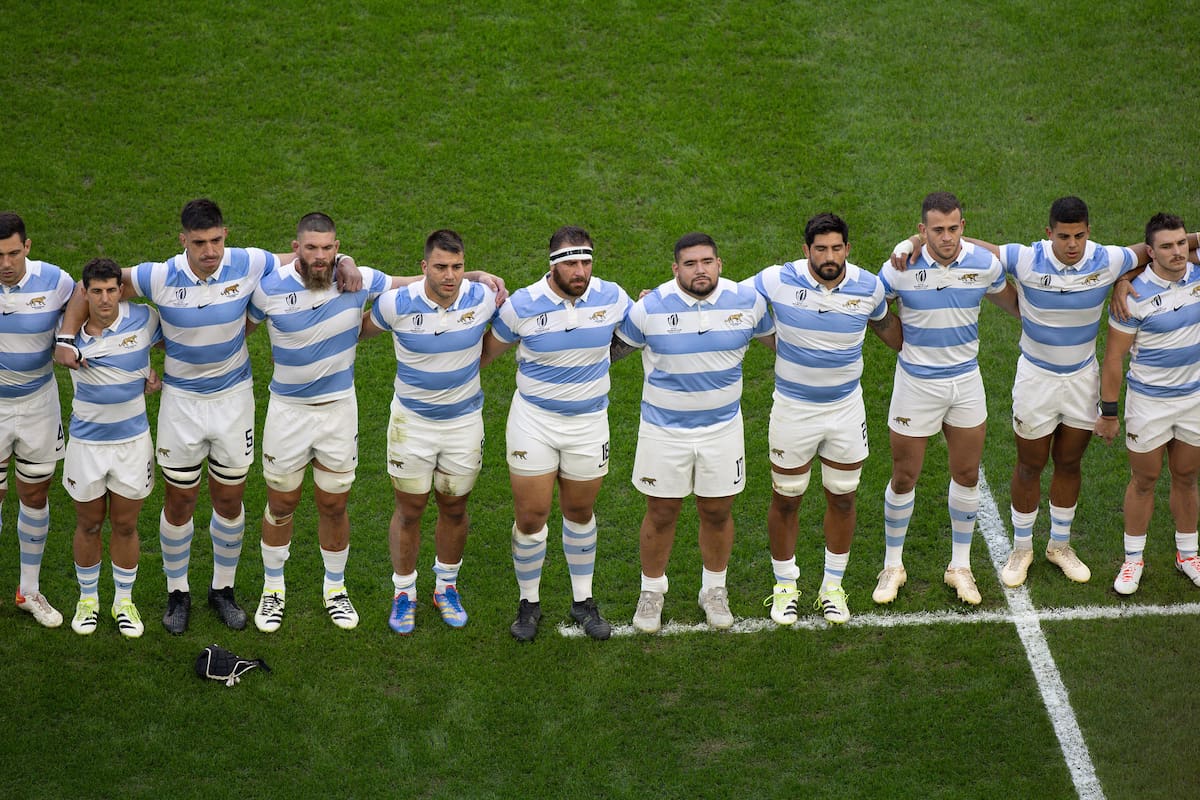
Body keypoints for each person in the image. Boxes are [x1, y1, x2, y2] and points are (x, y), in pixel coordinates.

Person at [54, 198, 363, 634]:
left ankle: (224, 590)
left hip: (234, 402)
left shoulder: (249, 262)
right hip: (181, 405)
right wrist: (67, 336)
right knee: (179, 501)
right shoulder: (159, 276)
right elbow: (94, 286)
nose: (210, 251)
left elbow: (309, 256)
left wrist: (345, 259)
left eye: (216, 240)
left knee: (229, 499)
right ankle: (176, 592)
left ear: (226, 236)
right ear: (183, 241)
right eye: (199, 242)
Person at [913, 198, 1154, 587]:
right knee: (1029, 464)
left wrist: (1126, 278)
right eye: (1063, 236)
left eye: (1078, 236)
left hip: (1081, 379)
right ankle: (1022, 547)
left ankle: (1059, 545)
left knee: (1070, 462)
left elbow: (1159, 249)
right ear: (1049, 234)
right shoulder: (1025, 259)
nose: (1072, 244)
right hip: (1035, 379)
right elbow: (967, 246)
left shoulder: (1108, 260)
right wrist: (913, 242)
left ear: (1088, 232)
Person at [613, 232, 775, 633]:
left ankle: (714, 590)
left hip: (722, 431)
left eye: (707, 261)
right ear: (675, 269)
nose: (699, 270)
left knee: (717, 511)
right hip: (662, 432)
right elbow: (610, 352)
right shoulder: (649, 308)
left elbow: (783, 343)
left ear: (720, 264)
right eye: (690, 264)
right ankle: (651, 592)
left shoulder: (749, 302)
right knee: (661, 512)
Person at [481, 225, 632, 642]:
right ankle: (528, 603)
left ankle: (582, 602)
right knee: (531, 517)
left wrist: (598, 361)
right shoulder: (522, 306)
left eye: (585, 262)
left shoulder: (613, 296)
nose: (580, 271)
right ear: (553, 265)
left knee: (580, 513)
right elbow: (484, 355)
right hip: (534, 423)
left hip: (589, 424)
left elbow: (634, 334)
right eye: (570, 263)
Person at [245, 213, 393, 633]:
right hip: (287, 413)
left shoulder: (356, 279)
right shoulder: (268, 288)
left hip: (338, 412)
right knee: (281, 505)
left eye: (329, 248)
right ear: (296, 248)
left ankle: (335, 588)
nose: (321, 256)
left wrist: (475, 274)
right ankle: (273, 589)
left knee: (334, 504)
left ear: (337, 246)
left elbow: (416, 286)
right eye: (311, 248)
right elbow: (236, 331)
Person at [753, 213, 901, 625]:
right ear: (806, 251)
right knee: (786, 496)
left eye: (837, 248)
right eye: (821, 249)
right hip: (792, 410)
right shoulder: (776, 280)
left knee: (843, 495)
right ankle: (785, 587)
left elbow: (891, 329)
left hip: (845, 411)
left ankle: (832, 587)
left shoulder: (869, 287)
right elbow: (726, 299)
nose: (829, 256)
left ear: (848, 250)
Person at [873, 192, 1019, 606]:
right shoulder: (898, 269)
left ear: (963, 225)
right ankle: (893, 565)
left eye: (954, 228)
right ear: (922, 231)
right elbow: (873, 307)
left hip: (965, 385)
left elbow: (1017, 304)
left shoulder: (983, 265)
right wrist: (896, 340)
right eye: (937, 230)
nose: (947, 237)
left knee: (968, 473)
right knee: (904, 476)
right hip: (915, 386)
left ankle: (960, 566)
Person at [361, 229, 497, 634]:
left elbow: (512, 326)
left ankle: (446, 587)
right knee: (410, 509)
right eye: (440, 267)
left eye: (457, 267)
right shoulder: (394, 305)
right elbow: (354, 332)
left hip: (463, 424)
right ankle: (404, 592)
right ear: (424, 268)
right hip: (411, 425)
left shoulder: (484, 297)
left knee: (454, 507)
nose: (450, 276)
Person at [1095, 213, 1200, 596]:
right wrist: (1108, 413)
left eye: (1182, 245)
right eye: (1167, 247)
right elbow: (1113, 359)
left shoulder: (1196, 272)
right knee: (1145, 480)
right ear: (1149, 252)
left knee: (1187, 477)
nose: (1178, 253)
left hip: (1194, 400)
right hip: (1149, 404)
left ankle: (1188, 554)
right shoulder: (1134, 295)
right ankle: (1133, 559)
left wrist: (1188, 243)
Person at [62, 258, 162, 637]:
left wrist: (155, 379)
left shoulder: (145, 319)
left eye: (111, 290)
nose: (105, 299)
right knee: (88, 524)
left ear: (121, 290)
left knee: (125, 524)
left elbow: (181, 343)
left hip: (132, 444)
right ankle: (88, 600)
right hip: (86, 444)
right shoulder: (68, 335)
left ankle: (124, 601)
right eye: (96, 291)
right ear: (84, 293)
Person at [0, 212, 73, 628]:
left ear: (27, 247)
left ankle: (28, 590)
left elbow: (82, 298)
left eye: (13, 253)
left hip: (38, 405)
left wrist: (65, 339)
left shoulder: (55, 281)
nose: (6, 263)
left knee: (34, 494)